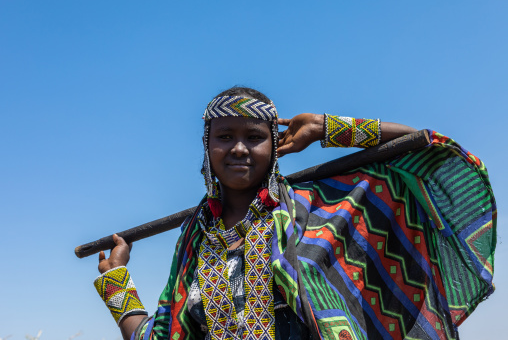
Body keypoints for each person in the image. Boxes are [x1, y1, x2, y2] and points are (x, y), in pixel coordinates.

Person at [93, 87, 496, 340]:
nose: (238, 149)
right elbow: (163, 335)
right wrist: (116, 281)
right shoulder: (194, 240)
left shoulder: (320, 207)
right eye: (224, 137)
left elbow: (429, 149)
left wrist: (327, 128)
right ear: (207, 147)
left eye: (253, 137)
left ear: (275, 146)